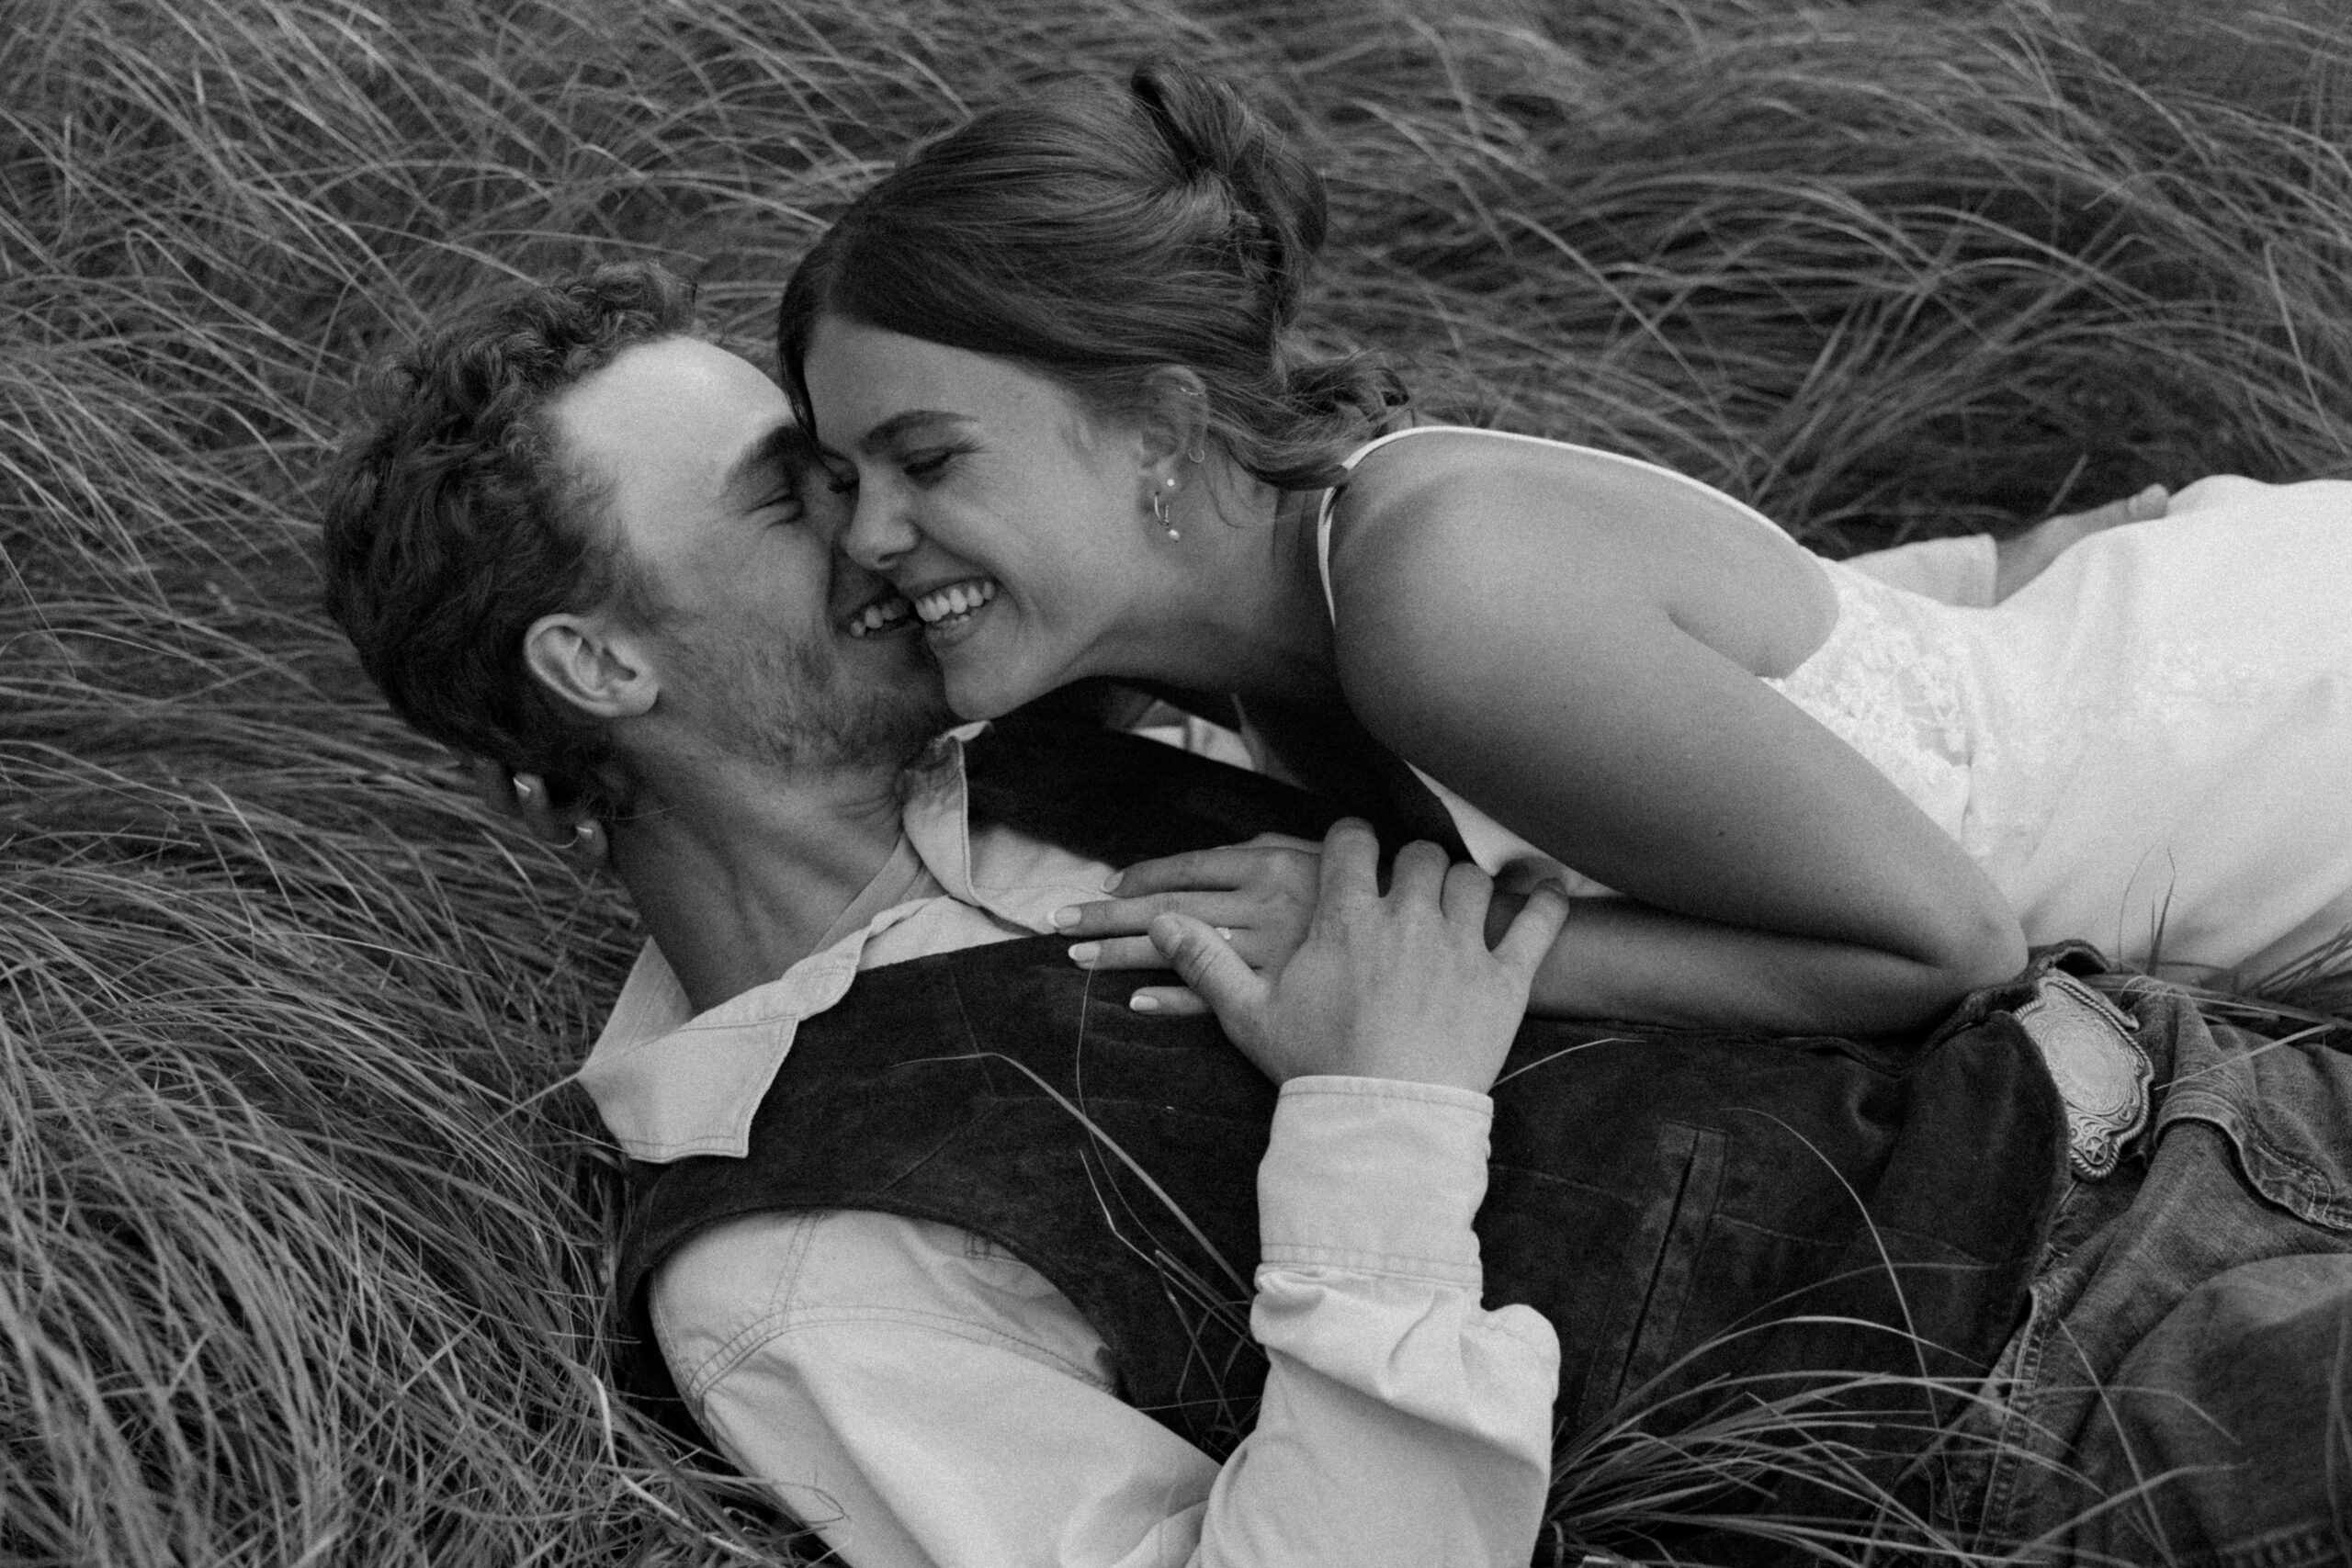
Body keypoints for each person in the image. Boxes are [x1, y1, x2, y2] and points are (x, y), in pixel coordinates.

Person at [319, 263, 2352, 1568]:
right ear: (597, 670)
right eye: (787, 497)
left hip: (2202, 1060)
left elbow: (1521, 691)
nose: (877, 526)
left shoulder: (1040, 714)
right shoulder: (785, 1240)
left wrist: (1947, 605)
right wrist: (1383, 1118)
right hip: (2079, 1384)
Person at [777, 63, 2352, 1037]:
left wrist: (1406, 941)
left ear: (1164, 426)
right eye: (835, 477)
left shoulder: (1437, 595)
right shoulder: (1292, 633)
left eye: (927, 458)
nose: (871, 534)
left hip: (2275, 772)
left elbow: (1945, 950)